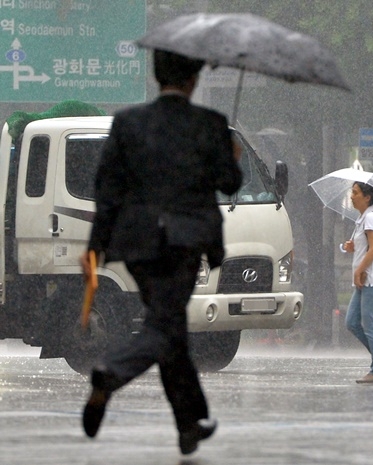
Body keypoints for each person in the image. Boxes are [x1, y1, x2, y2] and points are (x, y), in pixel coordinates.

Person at [80, 49, 243, 455]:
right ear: (193, 80)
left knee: (167, 326)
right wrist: (232, 155)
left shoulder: (128, 122)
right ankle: (109, 373)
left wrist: (95, 245)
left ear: (157, 76)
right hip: (184, 242)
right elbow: (228, 182)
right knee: (162, 326)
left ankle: (190, 423)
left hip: (137, 243)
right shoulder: (210, 125)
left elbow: (107, 188)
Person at [341, 182, 373, 384]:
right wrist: (351, 246)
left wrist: (359, 270)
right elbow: (366, 247)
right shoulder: (362, 219)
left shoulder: (371, 217)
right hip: (365, 280)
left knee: (370, 325)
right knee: (352, 322)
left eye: (355, 193)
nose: (352, 196)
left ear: (367, 197)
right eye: (352, 192)